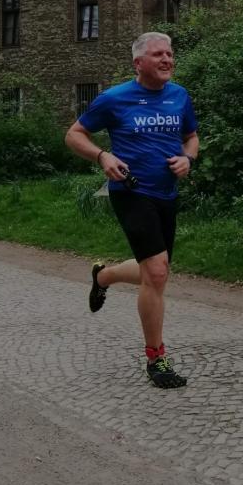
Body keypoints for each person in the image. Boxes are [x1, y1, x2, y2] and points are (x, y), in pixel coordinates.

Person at [65, 32, 199, 389]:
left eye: (169, 54)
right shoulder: (115, 98)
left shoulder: (179, 96)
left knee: (155, 273)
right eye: (158, 55)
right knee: (156, 271)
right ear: (138, 63)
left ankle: (103, 276)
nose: (167, 59)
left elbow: (191, 138)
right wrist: (102, 156)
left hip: (166, 194)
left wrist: (188, 159)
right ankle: (157, 359)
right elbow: (74, 134)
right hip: (131, 191)